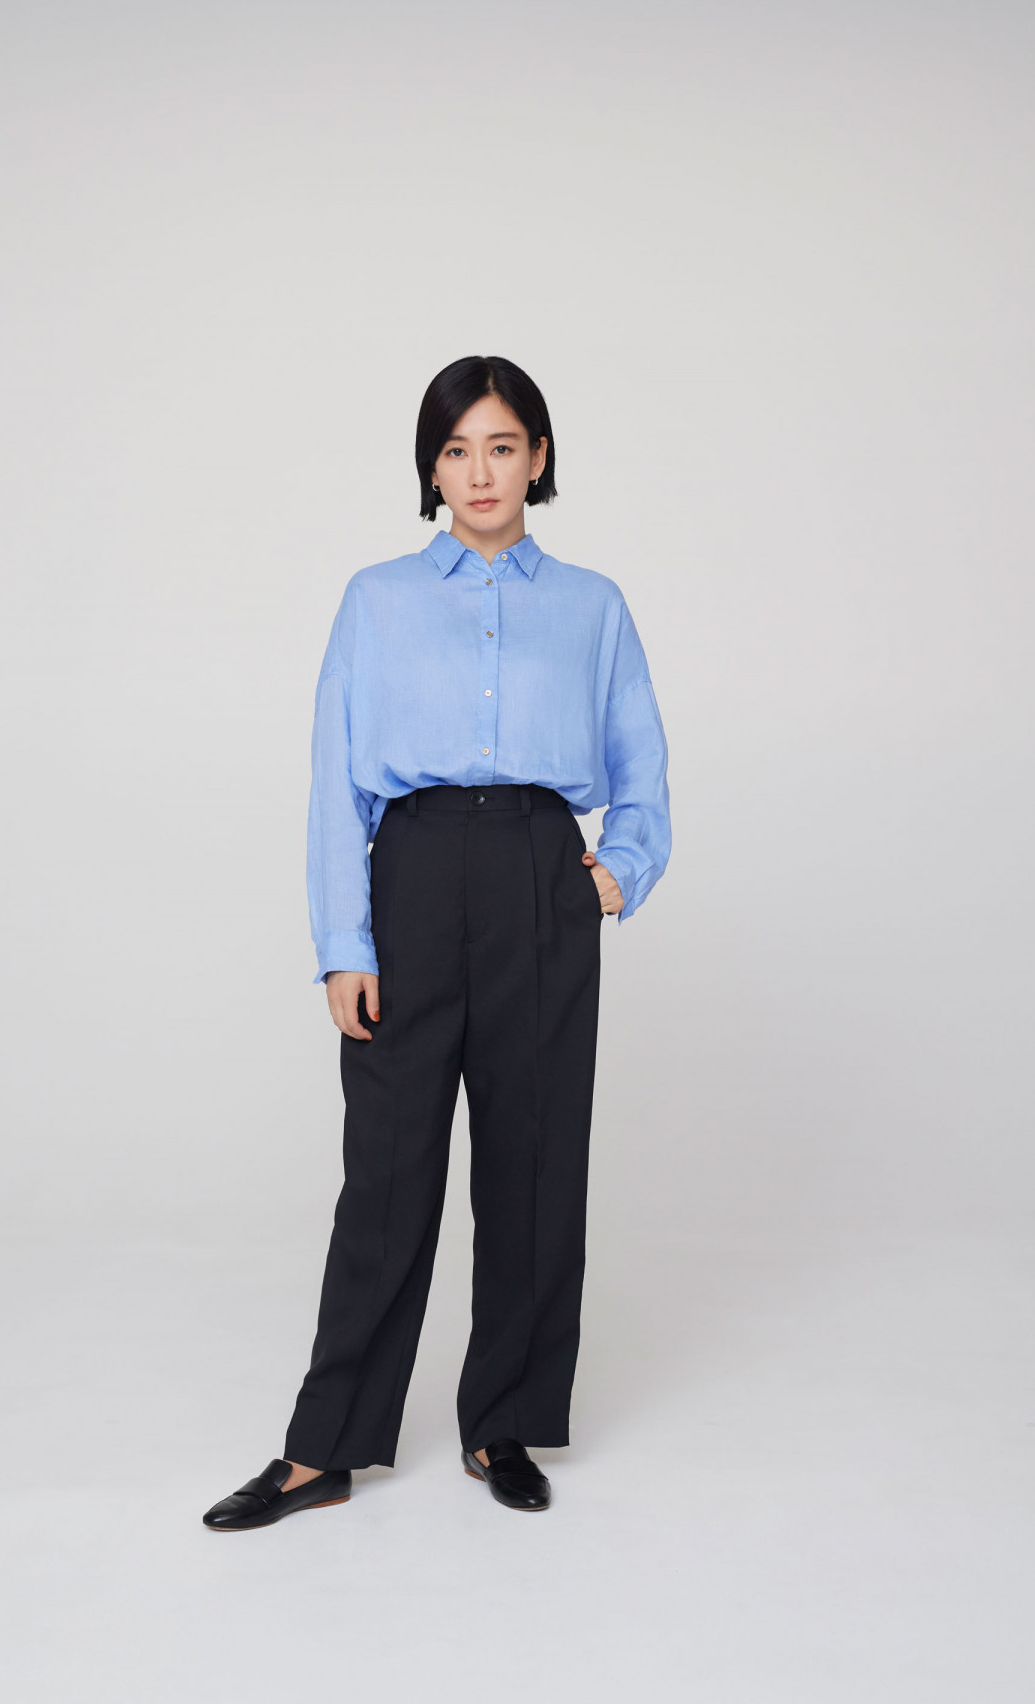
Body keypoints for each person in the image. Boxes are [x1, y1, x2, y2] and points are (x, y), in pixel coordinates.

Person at [203, 355, 671, 1530]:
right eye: (456, 450)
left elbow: (641, 764)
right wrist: (343, 942)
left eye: (502, 446)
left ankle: (501, 1420)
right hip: (409, 875)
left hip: (539, 874)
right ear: (431, 467)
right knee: (389, 1171)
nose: (480, 471)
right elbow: (334, 779)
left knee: (532, 1163)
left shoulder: (594, 606)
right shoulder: (376, 600)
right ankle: (324, 1446)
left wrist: (615, 873)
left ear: (539, 457)